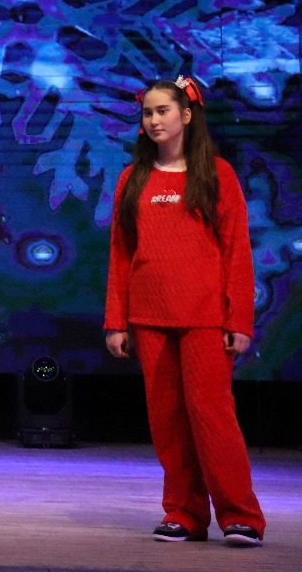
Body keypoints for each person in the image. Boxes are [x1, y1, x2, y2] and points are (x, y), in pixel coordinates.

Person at [104, 75, 265, 546]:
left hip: (204, 318)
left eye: (163, 111)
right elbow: (120, 253)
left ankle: (240, 515)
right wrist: (115, 321)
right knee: (168, 420)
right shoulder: (132, 178)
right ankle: (184, 513)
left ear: (186, 116)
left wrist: (238, 319)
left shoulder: (216, 174)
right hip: (149, 317)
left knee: (212, 416)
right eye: (148, 113)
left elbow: (236, 252)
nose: (154, 120)